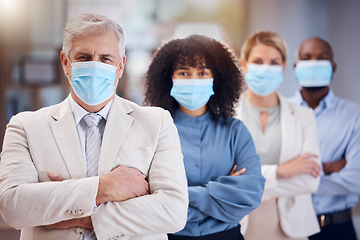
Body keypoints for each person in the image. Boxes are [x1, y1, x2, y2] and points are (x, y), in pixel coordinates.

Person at [0, 13, 188, 240]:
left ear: (121, 66)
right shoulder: (25, 127)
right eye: (84, 57)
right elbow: (13, 206)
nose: (95, 65)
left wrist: (79, 214)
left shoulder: (157, 123)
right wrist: (104, 188)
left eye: (105, 58)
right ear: (65, 63)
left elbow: (173, 211)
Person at [144, 34, 265, 240]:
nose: (194, 80)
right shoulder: (152, 130)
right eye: (184, 73)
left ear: (216, 78)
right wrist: (221, 192)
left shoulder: (236, 131)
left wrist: (177, 195)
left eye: (202, 73)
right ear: (168, 78)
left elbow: (249, 194)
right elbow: (142, 199)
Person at [234, 31, 322, 240]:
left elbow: (310, 182)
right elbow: (225, 180)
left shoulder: (303, 116)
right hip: (240, 225)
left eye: (274, 62)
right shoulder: (227, 115)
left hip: (291, 228)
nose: (265, 68)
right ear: (244, 65)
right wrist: (282, 172)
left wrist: (249, 182)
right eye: (258, 61)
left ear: (283, 67)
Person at [291, 37, 360, 240]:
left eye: (321, 58)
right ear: (295, 67)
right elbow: (270, 176)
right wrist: (327, 168)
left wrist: (294, 175)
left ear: (333, 67)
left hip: (339, 229)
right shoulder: (281, 111)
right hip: (289, 226)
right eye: (307, 58)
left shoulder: (355, 115)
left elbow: (355, 180)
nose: (313, 63)